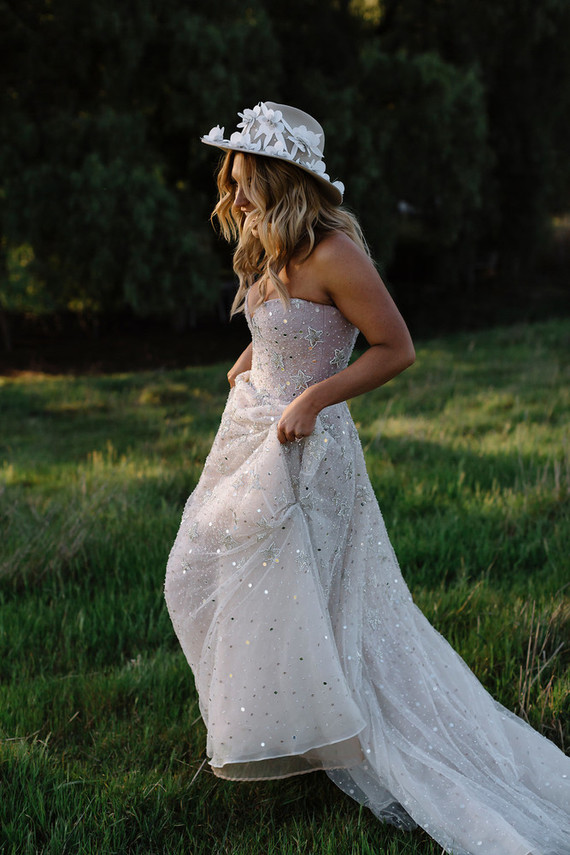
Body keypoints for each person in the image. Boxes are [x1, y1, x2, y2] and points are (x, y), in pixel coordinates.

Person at [164, 101, 570, 855]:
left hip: (311, 447)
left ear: (281, 177)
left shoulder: (333, 253)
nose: (231, 185)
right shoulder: (267, 243)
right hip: (258, 431)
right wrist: (253, 358)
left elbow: (394, 347)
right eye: (231, 172)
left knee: (324, 594)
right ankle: (299, 718)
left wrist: (315, 395)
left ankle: (359, 727)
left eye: (243, 172)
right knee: (212, 567)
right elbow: (289, 328)